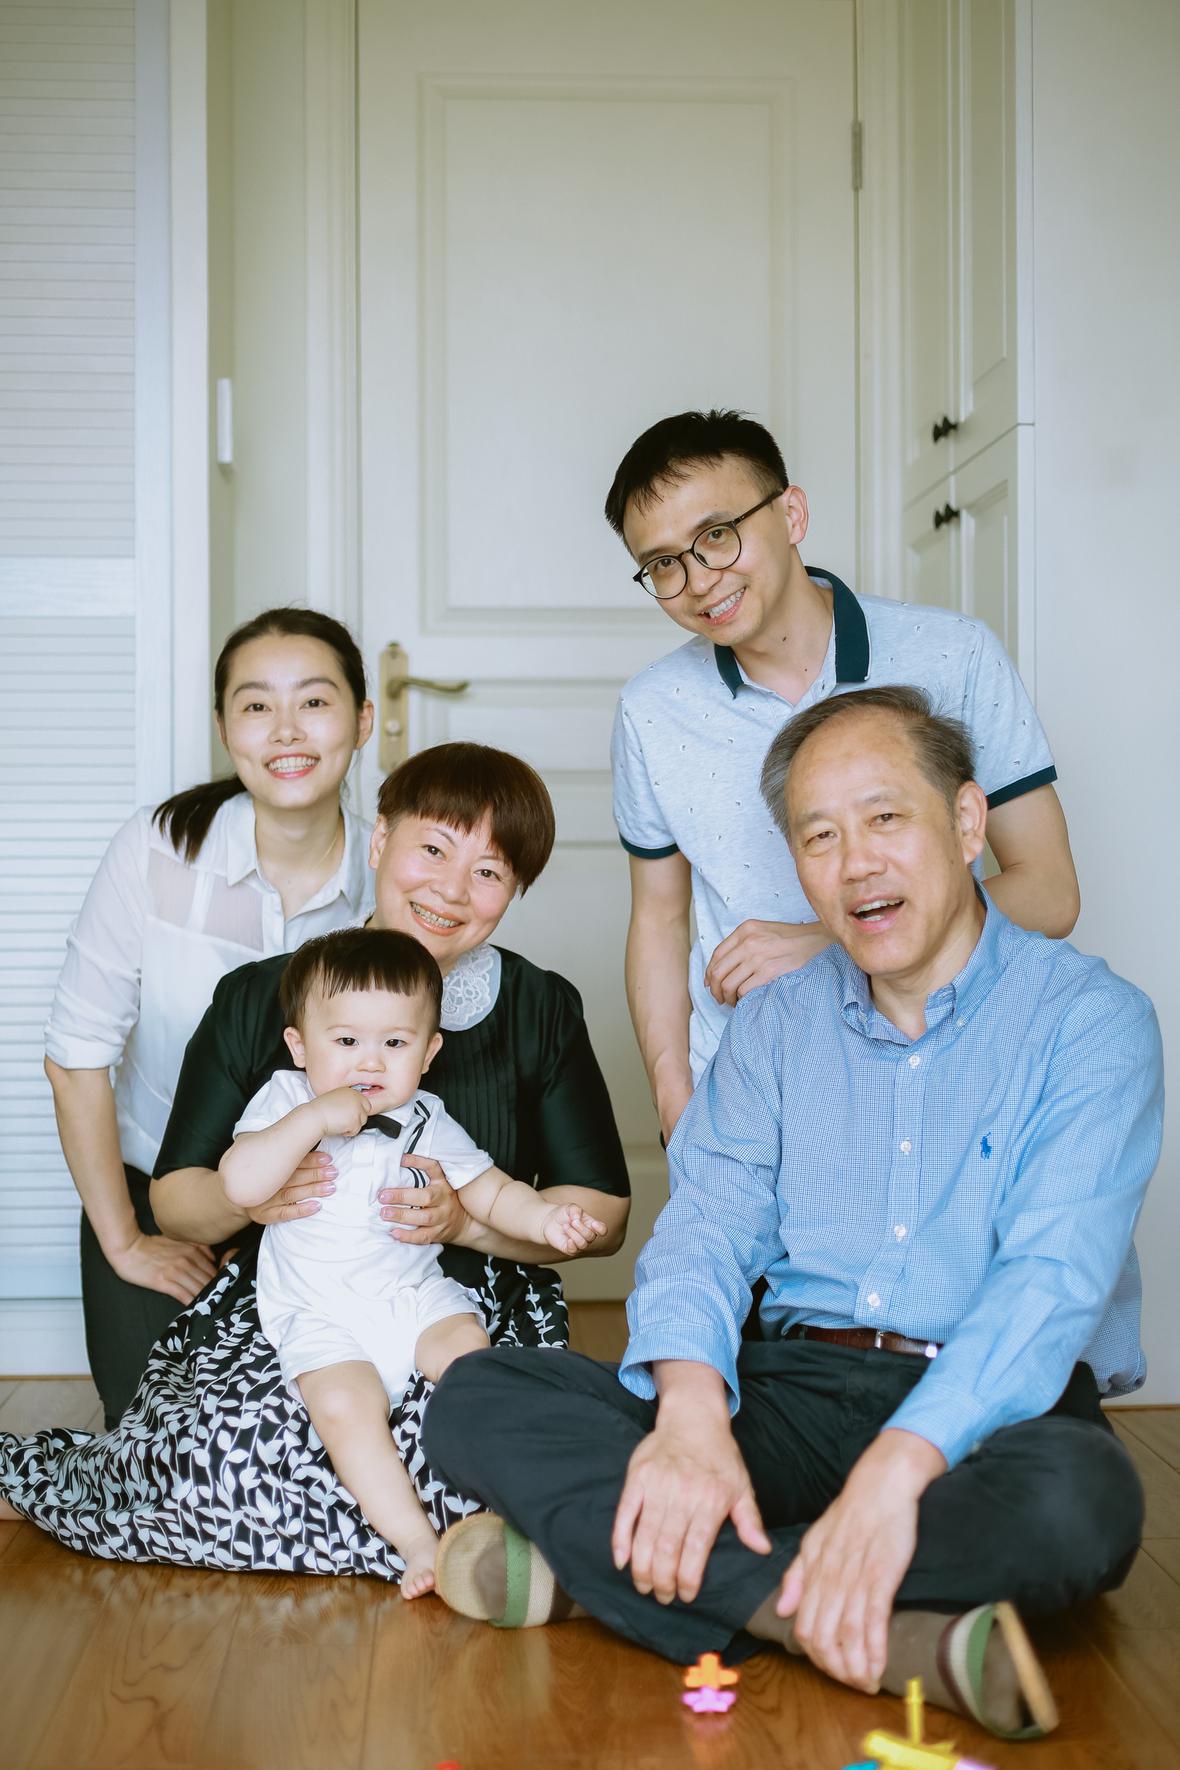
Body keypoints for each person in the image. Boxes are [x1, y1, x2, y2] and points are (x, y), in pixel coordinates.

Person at [423, 686, 1160, 1743]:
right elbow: (705, 1230)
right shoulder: (773, 1025)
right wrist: (689, 1418)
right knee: (480, 1397)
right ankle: (870, 1628)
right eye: (819, 837)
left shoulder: (1091, 1020)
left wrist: (897, 1471)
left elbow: (1051, 1286)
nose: (855, 864)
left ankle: (627, 1573)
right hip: (796, 1387)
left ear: (966, 823)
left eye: (885, 818)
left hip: (993, 1413)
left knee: (1082, 1504)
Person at [1, 743, 630, 1583]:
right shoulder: (268, 996)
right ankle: (437, 1546)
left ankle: (476, 1541)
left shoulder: (538, 1006)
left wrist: (466, 1224)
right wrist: (256, 1198)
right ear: (379, 841)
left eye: (489, 872)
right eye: (433, 849)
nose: (451, 889)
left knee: (471, 1435)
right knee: (217, 1462)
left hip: (454, 1303)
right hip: (303, 1296)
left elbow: (601, 1215)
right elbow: (180, 1199)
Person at [607, 409, 1080, 1142]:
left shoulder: (952, 654)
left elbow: (1049, 891)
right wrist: (676, 1107)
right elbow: (659, 920)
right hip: (748, 1098)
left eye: (717, 535)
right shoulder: (650, 710)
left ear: (791, 513)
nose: (698, 581)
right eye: (665, 564)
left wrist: (826, 943)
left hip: (943, 1081)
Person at [43, 606, 375, 1426]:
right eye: (257, 705)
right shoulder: (155, 852)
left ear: (363, 720)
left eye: (315, 701)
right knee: (162, 1436)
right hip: (162, 1196)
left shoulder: (388, 876)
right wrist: (125, 1240)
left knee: (329, 1435)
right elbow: (76, 1056)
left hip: (325, 1205)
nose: (287, 730)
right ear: (225, 729)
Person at [221, 925, 606, 1596]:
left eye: (394, 1044)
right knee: (342, 1407)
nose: (369, 1063)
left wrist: (547, 1219)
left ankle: (518, 1499)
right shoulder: (286, 1101)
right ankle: (416, 1542)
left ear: (428, 1053)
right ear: (299, 1046)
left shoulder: (427, 1118)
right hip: (319, 1314)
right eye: (346, 1042)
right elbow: (240, 1183)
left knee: (471, 1353)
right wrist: (313, 1121)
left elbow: (491, 1191)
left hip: (410, 1296)